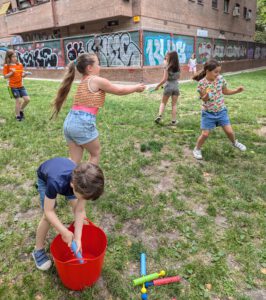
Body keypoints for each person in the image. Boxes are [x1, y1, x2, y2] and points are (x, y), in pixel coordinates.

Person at [51, 53, 145, 165]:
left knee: (74, 161)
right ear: (89, 68)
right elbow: (119, 90)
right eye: (98, 64)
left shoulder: (84, 81)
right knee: (95, 153)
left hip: (69, 123)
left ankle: (66, 178)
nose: (100, 67)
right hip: (82, 123)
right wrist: (136, 88)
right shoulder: (95, 80)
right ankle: (89, 181)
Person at [32, 157, 104, 271]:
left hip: (65, 174)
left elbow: (79, 211)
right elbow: (48, 211)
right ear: (73, 186)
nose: (84, 200)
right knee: (47, 217)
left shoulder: (83, 182)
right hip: (46, 178)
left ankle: (79, 235)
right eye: (84, 198)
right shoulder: (55, 182)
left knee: (79, 209)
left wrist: (78, 238)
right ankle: (38, 250)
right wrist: (64, 231)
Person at [192, 59, 246, 160]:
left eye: (219, 72)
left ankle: (235, 143)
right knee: (205, 134)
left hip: (221, 111)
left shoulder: (221, 79)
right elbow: (204, 99)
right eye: (215, 72)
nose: (218, 74)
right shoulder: (201, 83)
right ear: (207, 71)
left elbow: (225, 91)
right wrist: (207, 95)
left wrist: (237, 91)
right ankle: (197, 149)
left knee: (230, 132)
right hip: (208, 113)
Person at [3, 50, 30, 121]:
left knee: (27, 100)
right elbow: (5, 76)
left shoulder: (19, 65)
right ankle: (17, 116)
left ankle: (21, 110)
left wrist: (26, 74)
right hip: (12, 86)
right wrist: (11, 72)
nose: (15, 58)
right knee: (18, 101)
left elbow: (22, 76)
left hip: (21, 86)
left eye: (16, 56)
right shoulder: (7, 66)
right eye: (13, 56)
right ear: (9, 58)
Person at [154, 51, 180, 126]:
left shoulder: (167, 67)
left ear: (171, 58)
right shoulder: (178, 67)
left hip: (168, 86)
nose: (166, 57)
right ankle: (173, 121)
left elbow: (164, 79)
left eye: (167, 56)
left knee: (163, 103)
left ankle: (159, 116)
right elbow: (178, 77)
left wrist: (158, 86)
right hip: (176, 86)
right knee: (174, 104)